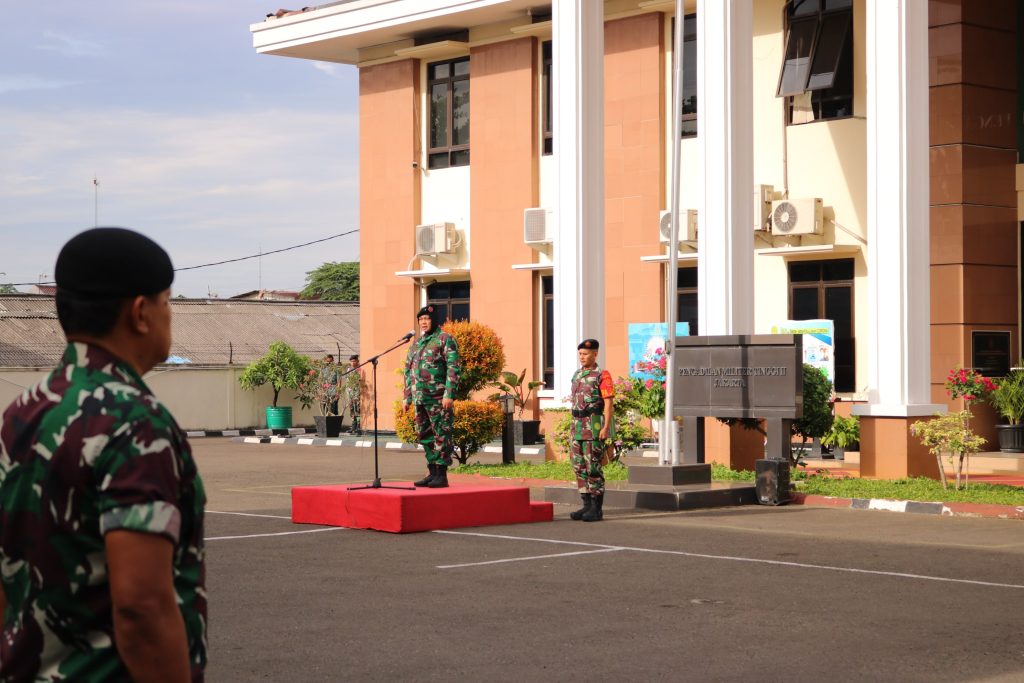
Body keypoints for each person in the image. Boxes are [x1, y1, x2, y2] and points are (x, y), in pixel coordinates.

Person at [0, 227, 207, 681]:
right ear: (140, 313)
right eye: (167, 302)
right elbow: (142, 607)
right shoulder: (135, 422)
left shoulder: (21, 413)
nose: (169, 314)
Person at [403, 305, 461, 488]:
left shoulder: (444, 339)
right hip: (420, 398)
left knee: (441, 434)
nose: (423, 322)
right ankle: (432, 471)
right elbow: (408, 372)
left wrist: (449, 393)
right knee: (425, 435)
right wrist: (407, 397)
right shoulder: (416, 344)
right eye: (420, 320)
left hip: (438, 397)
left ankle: (441, 475)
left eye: (427, 319)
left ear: (434, 320)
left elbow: (453, 367)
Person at [568, 338, 614, 522]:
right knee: (579, 466)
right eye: (580, 354)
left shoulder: (602, 375)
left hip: (592, 427)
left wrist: (606, 428)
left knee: (593, 466)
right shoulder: (577, 374)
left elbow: (608, 404)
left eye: (585, 354)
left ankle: (596, 508)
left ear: (595, 354)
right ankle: (586, 505)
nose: (582, 357)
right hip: (576, 427)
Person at [341, 354, 363, 434]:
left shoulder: (359, 369)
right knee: (351, 409)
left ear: (357, 361)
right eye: (351, 361)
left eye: (354, 361)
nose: (353, 363)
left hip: (356, 392)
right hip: (349, 392)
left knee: (357, 408)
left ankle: (358, 426)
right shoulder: (348, 369)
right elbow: (346, 380)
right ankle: (353, 426)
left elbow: (360, 380)